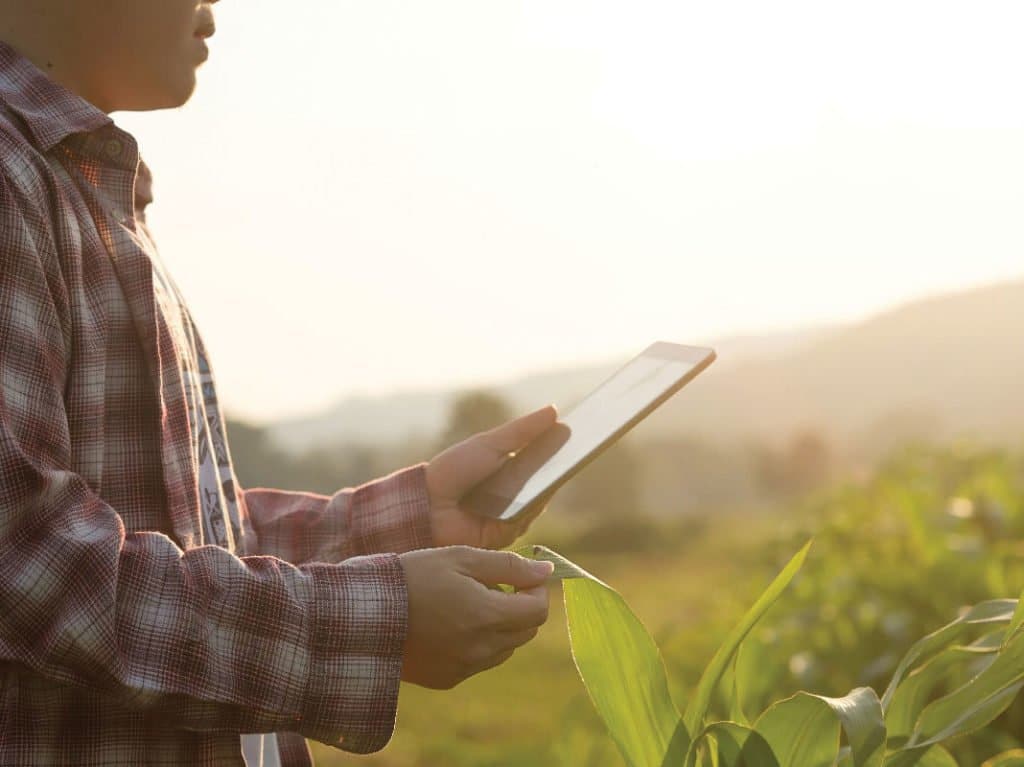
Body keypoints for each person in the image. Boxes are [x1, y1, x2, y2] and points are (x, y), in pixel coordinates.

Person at [0, 1, 559, 765]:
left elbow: (182, 540)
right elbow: (30, 564)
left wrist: (405, 518)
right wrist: (373, 625)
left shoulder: (83, 185)